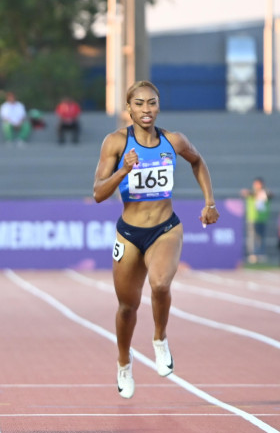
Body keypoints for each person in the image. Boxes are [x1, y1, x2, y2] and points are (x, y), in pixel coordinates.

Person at [92, 80, 218, 399]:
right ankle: (124, 362)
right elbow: (98, 193)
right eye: (139, 103)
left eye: (152, 103)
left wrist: (209, 202)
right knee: (127, 307)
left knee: (160, 285)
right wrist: (123, 170)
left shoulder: (174, 141)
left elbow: (198, 161)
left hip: (165, 228)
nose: (146, 109)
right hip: (129, 233)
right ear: (129, 108)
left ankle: (160, 339)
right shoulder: (116, 142)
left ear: (159, 106)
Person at [240, 177, 272, 264]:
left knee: (261, 237)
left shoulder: (265, 192)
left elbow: (270, 195)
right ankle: (253, 254)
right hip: (252, 218)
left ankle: (261, 254)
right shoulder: (251, 192)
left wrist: (260, 193)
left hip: (262, 219)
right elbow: (245, 193)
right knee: (252, 237)